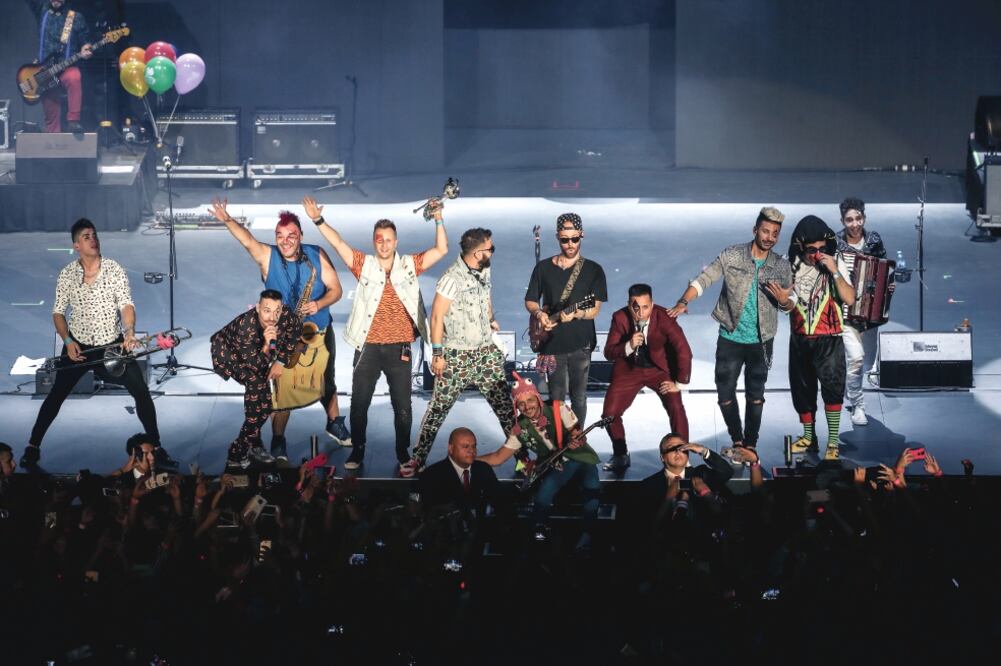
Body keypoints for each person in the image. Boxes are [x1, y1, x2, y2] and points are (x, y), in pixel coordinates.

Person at [309, 195, 449, 470]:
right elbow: (338, 244)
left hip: (400, 348)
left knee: (403, 408)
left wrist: (439, 219)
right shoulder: (365, 265)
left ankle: (402, 453)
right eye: (379, 239)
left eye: (388, 239)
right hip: (368, 347)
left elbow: (441, 250)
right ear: (374, 242)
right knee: (359, 405)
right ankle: (358, 451)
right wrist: (317, 219)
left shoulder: (410, 264)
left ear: (396, 241)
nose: (384, 244)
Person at [210, 198, 346, 461]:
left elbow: (337, 290)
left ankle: (334, 422)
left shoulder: (316, 254)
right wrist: (227, 219)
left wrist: (319, 303)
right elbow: (247, 240)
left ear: (300, 236)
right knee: (282, 388)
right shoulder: (268, 256)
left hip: (316, 330)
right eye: (280, 235)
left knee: (326, 379)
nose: (285, 240)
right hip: (283, 336)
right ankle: (278, 439)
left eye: (291, 235)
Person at [21, 219, 161, 473]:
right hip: (79, 348)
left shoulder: (114, 269)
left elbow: (126, 305)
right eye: (86, 236)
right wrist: (68, 342)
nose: (93, 239)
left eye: (94, 235)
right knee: (56, 395)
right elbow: (58, 313)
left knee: (141, 391)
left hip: (111, 347)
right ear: (76, 245)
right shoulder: (67, 274)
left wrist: (129, 332)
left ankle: (157, 447)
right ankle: (32, 446)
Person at [668, 207, 793, 452]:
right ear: (755, 229)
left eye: (775, 234)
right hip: (730, 337)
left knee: (755, 396)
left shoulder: (781, 266)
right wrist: (684, 301)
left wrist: (784, 301)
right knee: (724, 393)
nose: (769, 237)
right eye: (765, 231)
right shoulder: (733, 255)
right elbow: (704, 279)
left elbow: (789, 303)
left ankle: (751, 444)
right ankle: (737, 438)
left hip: (761, 340)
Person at [403, 228, 514, 477]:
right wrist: (438, 355)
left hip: (485, 353)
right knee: (438, 409)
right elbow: (436, 317)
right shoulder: (451, 279)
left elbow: (486, 297)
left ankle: (524, 459)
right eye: (490, 249)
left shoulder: (484, 268)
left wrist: (491, 319)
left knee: (506, 410)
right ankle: (418, 459)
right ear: (477, 253)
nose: (493, 252)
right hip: (457, 356)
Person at [477, 374, 600, 551]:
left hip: (581, 458)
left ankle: (587, 537)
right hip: (557, 466)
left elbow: (578, 434)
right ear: (516, 406)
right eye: (521, 403)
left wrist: (575, 440)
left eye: (530, 400)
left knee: (592, 486)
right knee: (543, 495)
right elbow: (498, 457)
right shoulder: (520, 428)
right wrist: (469, 460)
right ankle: (537, 535)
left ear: (538, 398)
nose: (527, 407)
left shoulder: (558, 408)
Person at [769, 215, 856, 461]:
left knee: (832, 390)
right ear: (800, 247)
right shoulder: (789, 265)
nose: (817, 254)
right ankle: (809, 437)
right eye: (811, 250)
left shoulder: (836, 261)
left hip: (829, 339)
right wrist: (784, 300)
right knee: (802, 391)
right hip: (800, 339)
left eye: (821, 248)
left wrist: (834, 271)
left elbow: (850, 298)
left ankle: (832, 441)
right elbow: (787, 306)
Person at [525, 212, 608, 424]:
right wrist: (539, 314)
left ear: (582, 235)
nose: (570, 244)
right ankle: (558, 445)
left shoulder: (593, 270)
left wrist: (577, 313)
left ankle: (577, 443)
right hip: (551, 343)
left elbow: (595, 308)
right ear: (557, 237)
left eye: (574, 239)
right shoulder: (543, 268)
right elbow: (531, 300)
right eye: (564, 240)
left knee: (579, 398)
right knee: (556, 399)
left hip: (580, 343)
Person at [601, 283, 692, 470]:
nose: (641, 312)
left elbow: (683, 351)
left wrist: (679, 384)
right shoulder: (619, 318)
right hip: (629, 370)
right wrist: (629, 345)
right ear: (628, 305)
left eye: (645, 307)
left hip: (659, 370)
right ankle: (620, 454)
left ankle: (683, 455)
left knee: (676, 406)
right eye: (636, 307)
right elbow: (609, 352)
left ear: (652, 304)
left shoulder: (664, 317)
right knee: (609, 414)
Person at [210, 289, 299, 469]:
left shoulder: (286, 315)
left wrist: (280, 361)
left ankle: (252, 445)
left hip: (256, 356)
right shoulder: (246, 328)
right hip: (229, 354)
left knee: (263, 407)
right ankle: (236, 453)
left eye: (277, 311)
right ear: (258, 308)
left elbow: (295, 332)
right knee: (261, 405)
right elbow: (254, 367)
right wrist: (267, 346)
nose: (272, 317)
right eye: (267, 310)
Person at [836, 197, 888, 426]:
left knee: (865, 363)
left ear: (864, 218)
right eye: (849, 220)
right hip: (845, 314)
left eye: (858, 218)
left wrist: (889, 283)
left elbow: (885, 270)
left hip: (870, 314)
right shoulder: (835, 243)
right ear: (843, 221)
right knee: (856, 359)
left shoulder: (874, 240)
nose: (854, 224)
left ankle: (852, 389)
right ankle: (858, 405)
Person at [638, 433, 734, 525]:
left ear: (688, 453)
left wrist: (703, 451)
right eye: (671, 448)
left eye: (682, 448)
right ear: (662, 457)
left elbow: (727, 472)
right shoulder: (648, 485)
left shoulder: (701, 474)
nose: (677, 451)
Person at [27, 0, 93, 133]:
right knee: (51, 116)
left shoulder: (75, 17)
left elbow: (85, 41)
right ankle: (53, 139)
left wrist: (86, 48)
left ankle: (73, 121)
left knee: (74, 77)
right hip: (44, 70)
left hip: (67, 66)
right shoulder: (41, 10)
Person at [418, 427, 500, 514]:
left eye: (474, 446)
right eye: (465, 446)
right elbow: (424, 513)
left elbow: (500, 502)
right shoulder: (431, 475)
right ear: (451, 448)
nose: (472, 450)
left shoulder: (484, 470)